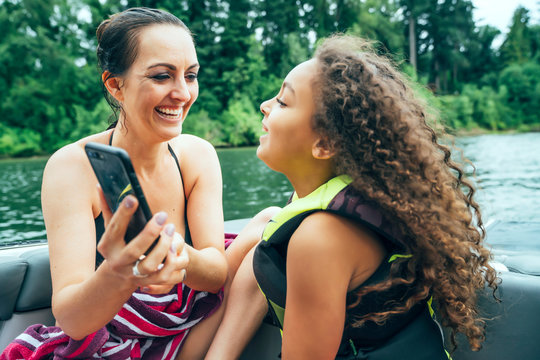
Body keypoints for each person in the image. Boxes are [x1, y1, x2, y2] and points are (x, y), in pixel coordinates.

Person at [1, 7, 271, 359]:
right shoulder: (71, 167)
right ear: (115, 84)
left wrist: (175, 254)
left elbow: (216, 275)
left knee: (269, 222)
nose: (182, 93)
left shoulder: (197, 156)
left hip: (188, 326)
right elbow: (72, 321)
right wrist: (121, 274)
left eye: (190, 75)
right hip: (112, 336)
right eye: (162, 76)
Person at [205, 35, 499, 360]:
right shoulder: (345, 202)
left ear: (324, 145)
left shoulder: (319, 236)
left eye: (283, 102)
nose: (265, 105)